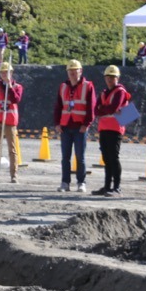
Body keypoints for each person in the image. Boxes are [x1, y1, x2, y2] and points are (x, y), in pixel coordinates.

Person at [52, 59, 97, 192]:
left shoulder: (88, 86)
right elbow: (58, 106)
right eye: (70, 70)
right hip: (65, 126)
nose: (72, 72)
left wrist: (86, 124)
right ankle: (65, 182)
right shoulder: (63, 87)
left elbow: (91, 107)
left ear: (80, 71)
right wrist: (57, 123)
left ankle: (81, 182)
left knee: (80, 157)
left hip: (79, 127)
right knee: (65, 157)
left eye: (75, 70)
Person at [92, 65, 131, 197]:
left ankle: (117, 187)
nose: (110, 80)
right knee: (106, 158)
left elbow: (112, 107)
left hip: (115, 128)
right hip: (104, 128)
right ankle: (107, 186)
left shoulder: (120, 92)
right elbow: (96, 110)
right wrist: (105, 108)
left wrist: (104, 108)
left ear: (117, 78)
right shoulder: (103, 93)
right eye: (108, 77)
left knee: (113, 158)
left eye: (113, 77)